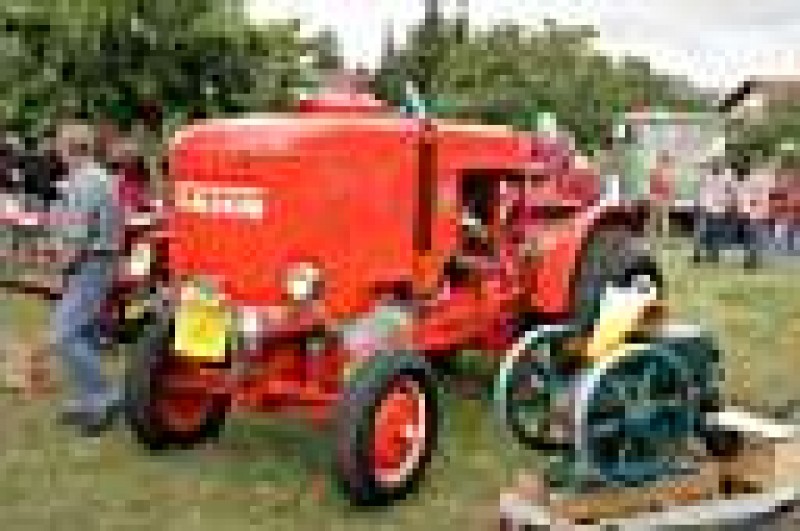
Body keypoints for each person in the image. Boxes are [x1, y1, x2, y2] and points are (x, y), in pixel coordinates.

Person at [47, 121, 122, 434]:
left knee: (64, 335)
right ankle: (86, 400)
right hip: (95, 262)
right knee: (84, 333)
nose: (56, 150)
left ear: (69, 148)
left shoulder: (87, 182)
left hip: (92, 262)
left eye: (58, 145)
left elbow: (79, 235)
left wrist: (62, 266)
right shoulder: (93, 177)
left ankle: (104, 397)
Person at [694, 161, 737, 263]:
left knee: (711, 233)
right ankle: (704, 253)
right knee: (709, 233)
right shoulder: (712, 180)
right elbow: (704, 195)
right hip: (712, 210)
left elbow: (729, 194)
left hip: (715, 210)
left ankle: (709, 254)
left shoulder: (720, 180)